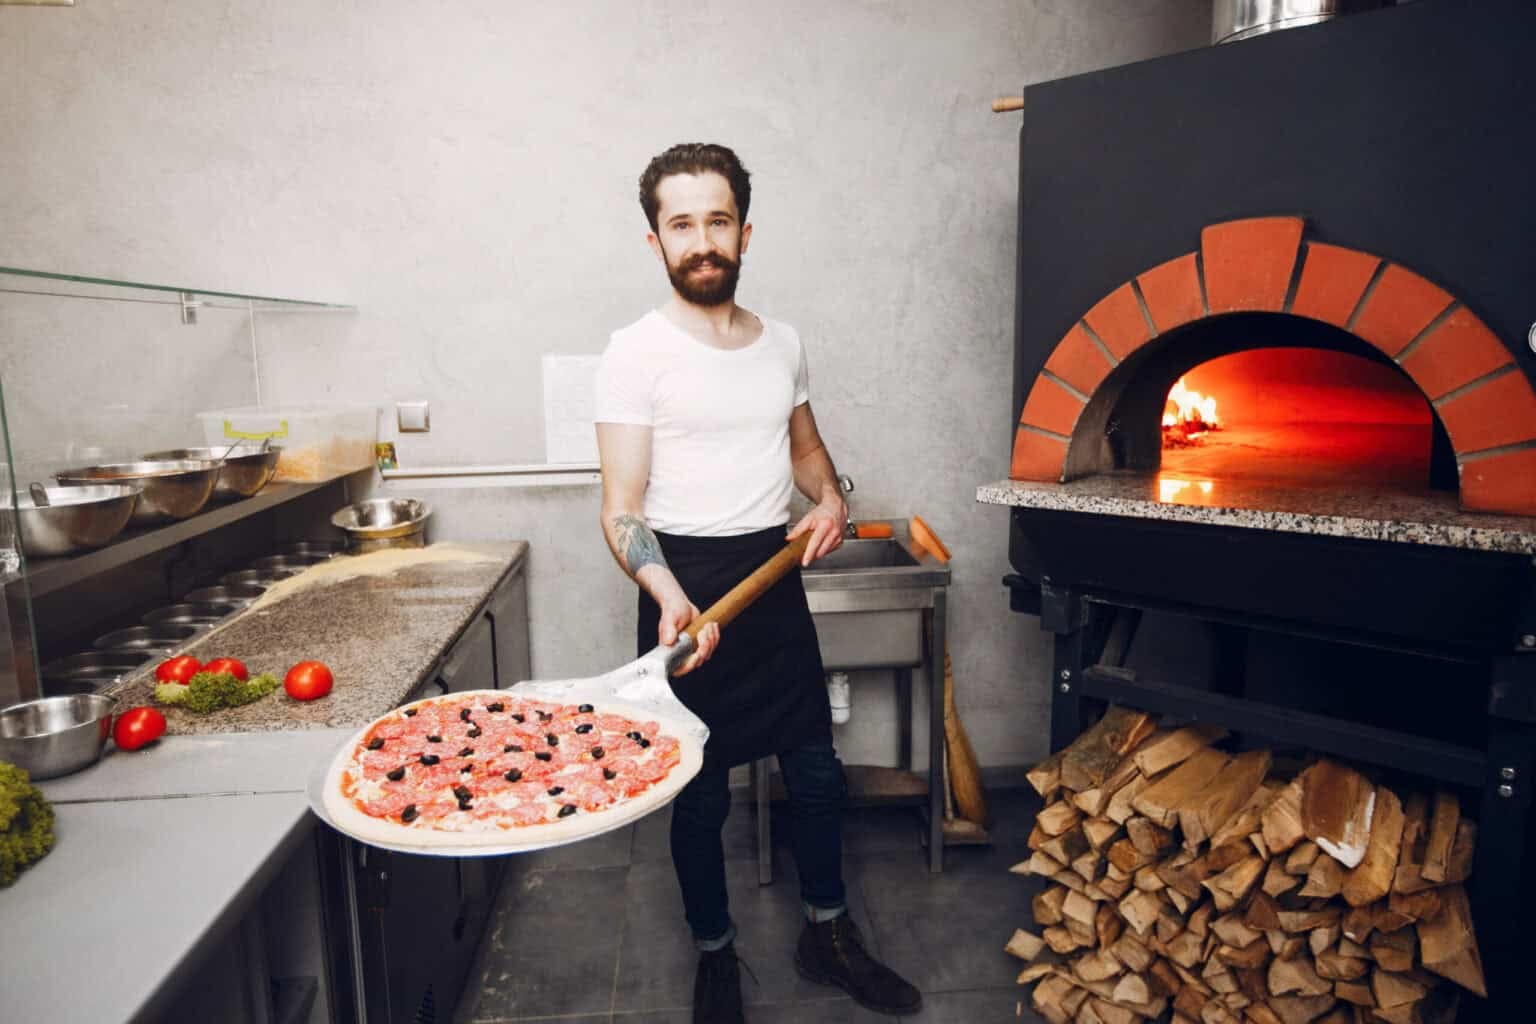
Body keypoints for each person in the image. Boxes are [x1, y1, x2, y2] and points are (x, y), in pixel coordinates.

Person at [593, 143, 923, 1023]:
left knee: (815, 773)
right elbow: (621, 507)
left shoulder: (783, 344)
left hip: (771, 579)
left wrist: (828, 500)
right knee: (696, 796)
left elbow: (809, 453)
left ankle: (829, 932)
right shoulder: (634, 353)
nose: (702, 240)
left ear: (744, 229)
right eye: (681, 223)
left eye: (717, 220)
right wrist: (666, 593)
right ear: (654, 239)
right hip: (684, 587)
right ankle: (714, 955)